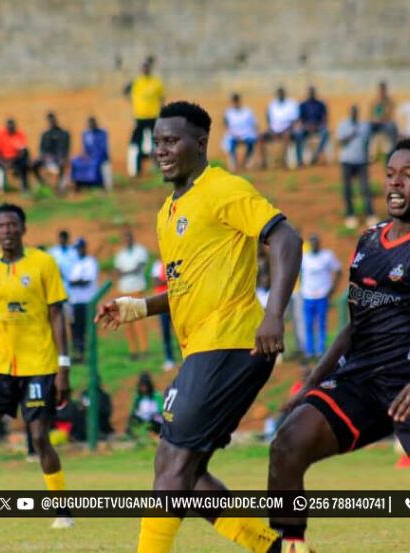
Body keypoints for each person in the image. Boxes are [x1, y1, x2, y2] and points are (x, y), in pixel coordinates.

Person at [95, 101, 303, 553]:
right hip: (205, 347)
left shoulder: (223, 188)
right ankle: (275, 548)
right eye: (156, 143)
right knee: (182, 471)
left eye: (171, 141)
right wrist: (135, 309)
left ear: (201, 143)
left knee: (172, 469)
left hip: (232, 344)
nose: (161, 151)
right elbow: (187, 288)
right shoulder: (169, 211)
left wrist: (274, 314)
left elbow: (286, 238)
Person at [268, 137, 410, 553]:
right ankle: (292, 544)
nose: (395, 184)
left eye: (408, 175)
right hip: (362, 380)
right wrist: (312, 384)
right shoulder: (368, 242)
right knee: (287, 445)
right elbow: (354, 328)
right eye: (389, 175)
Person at [0, 203, 74, 530]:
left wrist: (64, 366)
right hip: (2, 367)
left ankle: (62, 510)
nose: (7, 230)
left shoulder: (43, 263)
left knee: (39, 437)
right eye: (1, 226)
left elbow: (57, 316)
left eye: (12, 225)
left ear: (23, 228)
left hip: (40, 365)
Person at [299, 234, 341, 362]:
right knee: (308, 323)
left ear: (319, 243)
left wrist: (332, 289)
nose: (314, 244)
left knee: (322, 323)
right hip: (308, 295)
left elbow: (338, 271)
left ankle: (320, 349)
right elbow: (300, 273)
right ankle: (309, 350)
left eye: (316, 242)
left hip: (322, 294)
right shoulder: (304, 258)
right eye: (312, 242)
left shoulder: (327, 256)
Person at [124, 57, 165, 177]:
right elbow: (125, 91)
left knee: (155, 143)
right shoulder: (136, 82)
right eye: (143, 67)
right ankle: (136, 169)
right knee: (136, 143)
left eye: (147, 67)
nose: (145, 69)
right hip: (140, 118)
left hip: (153, 118)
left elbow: (162, 98)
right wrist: (134, 102)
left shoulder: (156, 82)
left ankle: (157, 167)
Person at [114, 229, 150, 361]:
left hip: (136, 289)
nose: (127, 240)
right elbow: (117, 271)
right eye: (125, 238)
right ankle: (133, 351)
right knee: (128, 323)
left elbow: (139, 268)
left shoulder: (140, 251)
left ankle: (145, 349)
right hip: (124, 291)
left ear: (132, 238)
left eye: (128, 238)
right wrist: (129, 272)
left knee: (139, 321)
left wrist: (125, 273)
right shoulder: (120, 254)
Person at [336, 105, 374, 228]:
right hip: (347, 161)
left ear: (357, 113)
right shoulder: (343, 125)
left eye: (355, 112)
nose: (354, 114)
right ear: (349, 113)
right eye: (352, 112)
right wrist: (351, 134)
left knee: (365, 188)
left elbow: (367, 142)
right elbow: (339, 142)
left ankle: (370, 214)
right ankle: (350, 214)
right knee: (348, 189)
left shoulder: (364, 126)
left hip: (361, 161)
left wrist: (368, 156)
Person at [67, 238, 99, 362]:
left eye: (80, 247)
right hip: (75, 301)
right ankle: (79, 355)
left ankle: (89, 355)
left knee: (87, 330)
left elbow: (86, 281)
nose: (79, 250)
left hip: (87, 301)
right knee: (76, 330)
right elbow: (73, 281)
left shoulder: (90, 262)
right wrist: (76, 282)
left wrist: (75, 282)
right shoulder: (75, 264)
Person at [0, 118, 30, 193]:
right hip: (1, 158)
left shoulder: (19, 134)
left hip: (14, 158)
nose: (11, 130)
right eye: (9, 128)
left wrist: (13, 162)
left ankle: (25, 187)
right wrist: (4, 163)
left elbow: (22, 151)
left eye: (13, 128)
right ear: (6, 127)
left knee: (24, 163)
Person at [260, 87, 300, 169]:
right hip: (274, 129)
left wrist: (286, 129)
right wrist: (271, 130)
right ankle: (263, 162)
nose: (280, 95)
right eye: (279, 93)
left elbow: (294, 121)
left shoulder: (291, 104)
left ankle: (284, 160)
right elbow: (269, 119)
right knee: (261, 137)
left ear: (285, 94)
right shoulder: (272, 105)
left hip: (287, 129)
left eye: (282, 93)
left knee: (286, 136)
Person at [31, 112, 71, 191]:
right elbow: (42, 149)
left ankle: (60, 184)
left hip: (59, 158)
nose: (51, 122)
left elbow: (66, 149)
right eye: (49, 121)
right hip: (48, 158)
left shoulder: (63, 133)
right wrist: (44, 157)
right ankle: (41, 183)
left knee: (62, 163)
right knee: (34, 163)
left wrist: (62, 157)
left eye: (53, 120)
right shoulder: (45, 134)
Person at [149, 258, 176, 371]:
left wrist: (163, 281)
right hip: (162, 303)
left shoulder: (173, 261)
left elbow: (159, 281)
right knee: (166, 332)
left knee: (180, 331)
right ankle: (169, 358)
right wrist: (169, 280)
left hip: (175, 301)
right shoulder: (158, 264)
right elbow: (156, 282)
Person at [70, 116, 110, 189]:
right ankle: (80, 182)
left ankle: (94, 183)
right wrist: (85, 155)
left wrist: (93, 156)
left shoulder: (102, 133)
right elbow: (84, 148)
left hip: (99, 156)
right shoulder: (86, 133)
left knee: (94, 163)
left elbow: (103, 148)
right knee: (76, 161)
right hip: (88, 156)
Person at [222, 93, 259, 171]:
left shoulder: (247, 111)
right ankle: (234, 163)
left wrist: (254, 133)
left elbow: (254, 124)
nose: (236, 102)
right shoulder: (228, 112)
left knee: (250, 143)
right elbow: (226, 126)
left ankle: (246, 161)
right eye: (234, 101)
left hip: (246, 135)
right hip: (233, 136)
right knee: (231, 143)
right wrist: (233, 134)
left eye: (237, 100)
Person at [294, 86, 329, 166]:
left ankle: (316, 155)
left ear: (315, 93)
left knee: (325, 133)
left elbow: (325, 118)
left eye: (312, 92)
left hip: (318, 126)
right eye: (309, 92)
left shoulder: (320, 104)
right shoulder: (302, 105)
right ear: (307, 94)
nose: (311, 94)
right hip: (306, 127)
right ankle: (300, 160)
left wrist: (317, 126)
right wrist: (306, 126)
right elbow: (300, 119)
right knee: (298, 134)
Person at [126, 372, 163, 438]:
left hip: (153, 419)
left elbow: (161, 409)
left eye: (145, 386)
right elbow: (133, 411)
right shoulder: (138, 397)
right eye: (142, 386)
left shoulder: (156, 395)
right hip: (142, 420)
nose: (143, 388)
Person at [369, 81, 398, 150]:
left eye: (383, 89)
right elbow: (370, 115)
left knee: (392, 127)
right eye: (380, 89)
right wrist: (375, 120)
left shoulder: (389, 101)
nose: (381, 91)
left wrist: (382, 119)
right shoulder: (375, 101)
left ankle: (393, 149)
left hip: (385, 123)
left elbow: (389, 115)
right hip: (375, 124)